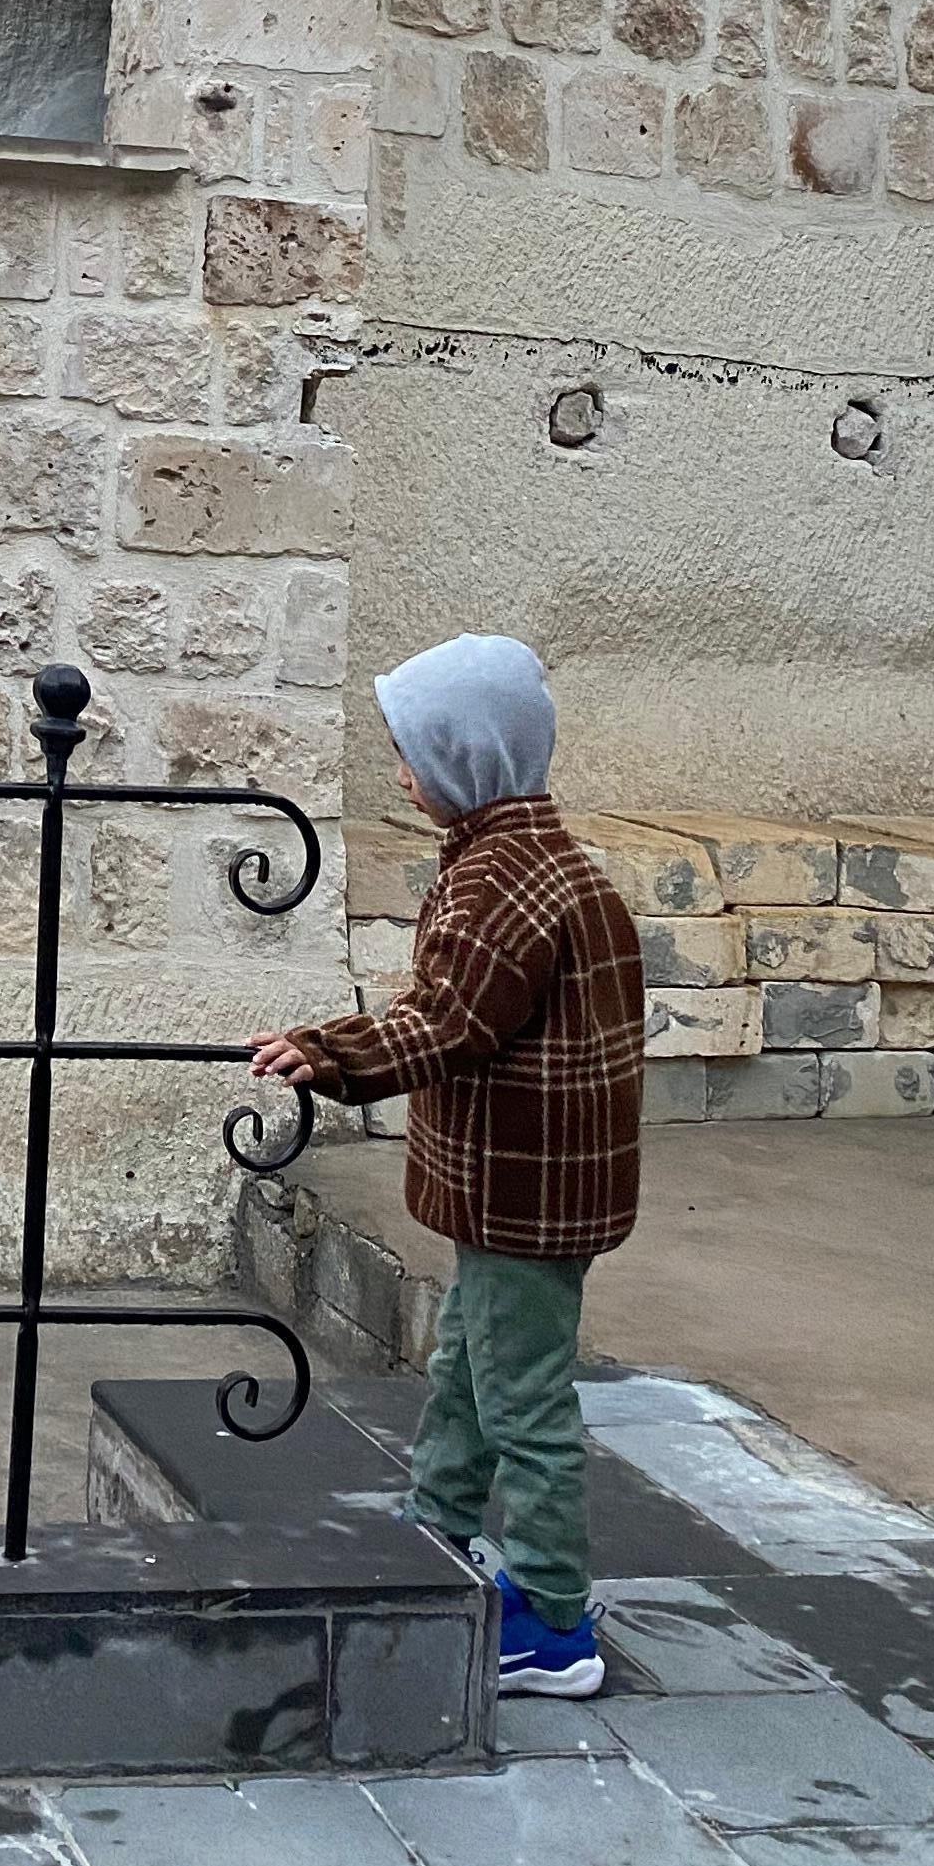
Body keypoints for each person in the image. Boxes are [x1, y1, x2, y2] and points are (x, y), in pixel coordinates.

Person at [249, 633, 643, 1699]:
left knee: (523, 1401)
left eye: (412, 755)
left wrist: (329, 1055)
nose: (401, 776)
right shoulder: (537, 861)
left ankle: (555, 1623)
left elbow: (448, 1019)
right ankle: (436, 1525)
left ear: (469, 757)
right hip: (534, 1187)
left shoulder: (505, 883)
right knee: (469, 1370)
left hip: (528, 1193)